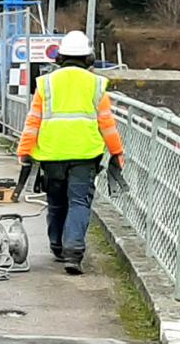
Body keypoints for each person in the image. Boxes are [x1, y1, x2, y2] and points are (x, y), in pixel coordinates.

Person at [16, 30, 125, 275]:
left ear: (59, 57)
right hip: (85, 154)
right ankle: (73, 253)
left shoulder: (46, 83)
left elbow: (33, 121)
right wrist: (117, 151)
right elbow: (106, 123)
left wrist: (24, 151)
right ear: (89, 59)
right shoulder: (96, 84)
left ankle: (56, 244)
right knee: (78, 201)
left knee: (55, 201)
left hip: (52, 153)